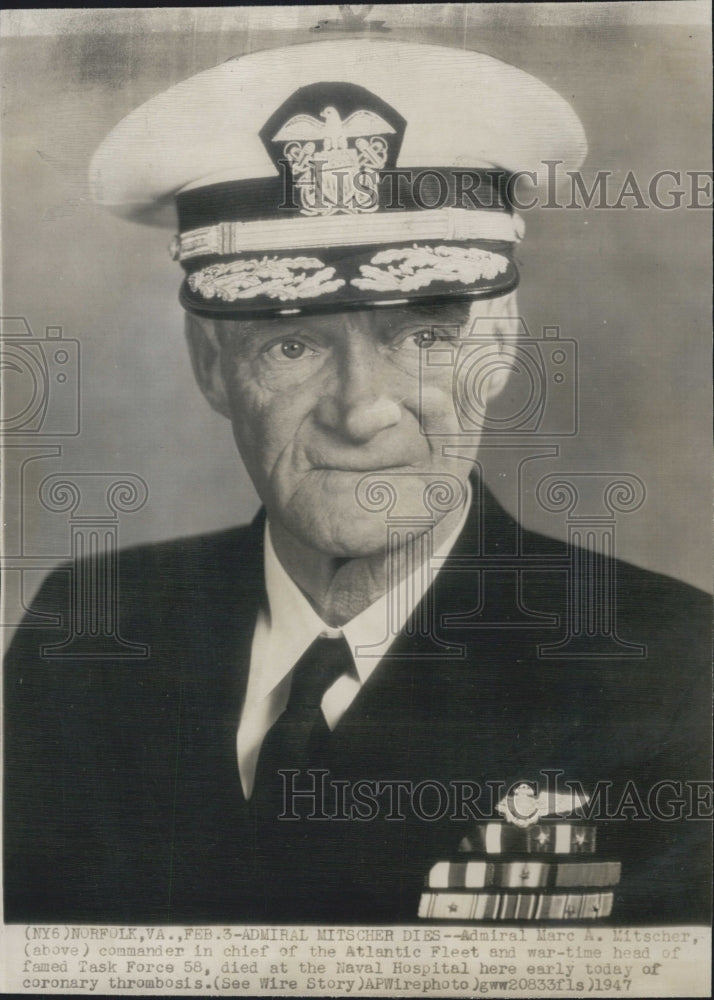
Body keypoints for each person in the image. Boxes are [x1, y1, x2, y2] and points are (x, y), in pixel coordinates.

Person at [4, 38, 710, 925]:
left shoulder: (673, 670)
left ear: (498, 346)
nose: (360, 410)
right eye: (292, 345)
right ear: (211, 364)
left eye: (422, 338)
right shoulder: (83, 638)